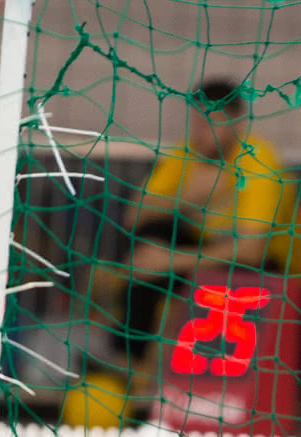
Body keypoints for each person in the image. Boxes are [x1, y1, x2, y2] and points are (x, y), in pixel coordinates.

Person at [112, 80, 291, 373]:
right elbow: (133, 215)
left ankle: (209, 374)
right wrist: (189, 197)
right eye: (197, 122)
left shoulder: (258, 160)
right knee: (151, 236)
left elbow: (252, 252)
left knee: (157, 257)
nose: (200, 132)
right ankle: (126, 363)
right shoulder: (190, 152)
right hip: (206, 254)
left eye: (211, 124)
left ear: (236, 123)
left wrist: (169, 260)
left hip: (268, 269)